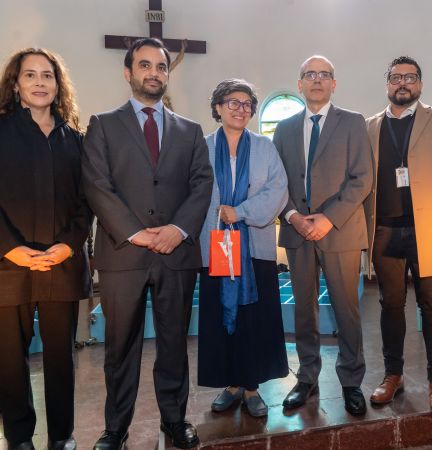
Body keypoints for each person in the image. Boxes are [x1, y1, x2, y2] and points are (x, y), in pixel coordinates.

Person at [82, 38, 213, 450]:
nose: (153, 72)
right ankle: (116, 428)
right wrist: (135, 232)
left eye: (160, 66)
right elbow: (96, 184)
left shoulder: (190, 130)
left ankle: (175, 420)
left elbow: (202, 184)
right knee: (120, 347)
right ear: (128, 72)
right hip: (124, 253)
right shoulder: (103, 125)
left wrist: (179, 229)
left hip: (177, 253)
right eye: (144, 65)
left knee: (174, 345)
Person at [365, 56, 432, 415]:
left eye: (410, 77)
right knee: (390, 305)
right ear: (387, 84)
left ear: (420, 84)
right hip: (385, 230)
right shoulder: (370, 126)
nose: (403, 83)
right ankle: (392, 376)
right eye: (396, 77)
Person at [0, 47, 91, 450]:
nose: (40, 82)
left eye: (48, 75)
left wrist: (68, 245)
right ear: (15, 84)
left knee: (60, 358)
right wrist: (10, 248)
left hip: (61, 263)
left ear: (58, 85)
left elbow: (87, 201)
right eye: (30, 75)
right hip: (8, 265)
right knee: (8, 359)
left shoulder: (76, 140)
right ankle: (19, 437)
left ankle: (62, 436)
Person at [273, 55, 373, 416]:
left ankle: (351, 380)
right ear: (299, 84)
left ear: (334, 83)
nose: (317, 79)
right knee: (304, 309)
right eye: (310, 74)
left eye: (324, 74)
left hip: (340, 230)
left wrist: (328, 219)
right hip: (297, 231)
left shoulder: (353, 122)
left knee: (346, 309)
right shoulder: (284, 128)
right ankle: (307, 377)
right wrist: (293, 216)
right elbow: (276, 181)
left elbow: (362, 178)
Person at [197, 79, 289, 417]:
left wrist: (241, 212)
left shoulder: (265, 147)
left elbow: (279, 189)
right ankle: (231, 385)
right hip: (217, 247)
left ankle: (252, 387)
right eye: (232, 102)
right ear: (218, 107)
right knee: (221, 318)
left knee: (254, 320)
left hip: (255, 250)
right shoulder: (202, 147)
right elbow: (192, 192)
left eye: (247, 103)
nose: (241, 109)